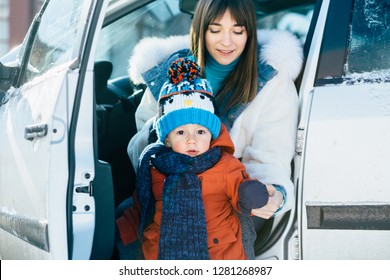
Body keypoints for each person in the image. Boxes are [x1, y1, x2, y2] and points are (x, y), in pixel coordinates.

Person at [124, 0, 303, 258]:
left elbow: (270, 158)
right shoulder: (169, 76)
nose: (227, 42)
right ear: (200, 30)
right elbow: (140, 144)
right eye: (216, 30)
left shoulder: (272, 82)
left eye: (238, 31)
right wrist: (169, 133)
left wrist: (270, 195)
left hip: (230, 194)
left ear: (249, 33)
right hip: (170, 186)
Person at [116, 57, 269, 260]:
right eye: (180, 133)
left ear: (211, 135)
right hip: (164, 253)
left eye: (200, 132)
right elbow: (143, 204)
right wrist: (124, 228)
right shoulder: (154, 167)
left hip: (219, 255)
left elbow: (241, 193)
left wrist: (251, 194)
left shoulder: (225, 165)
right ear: (167, 140)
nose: (191, 141)